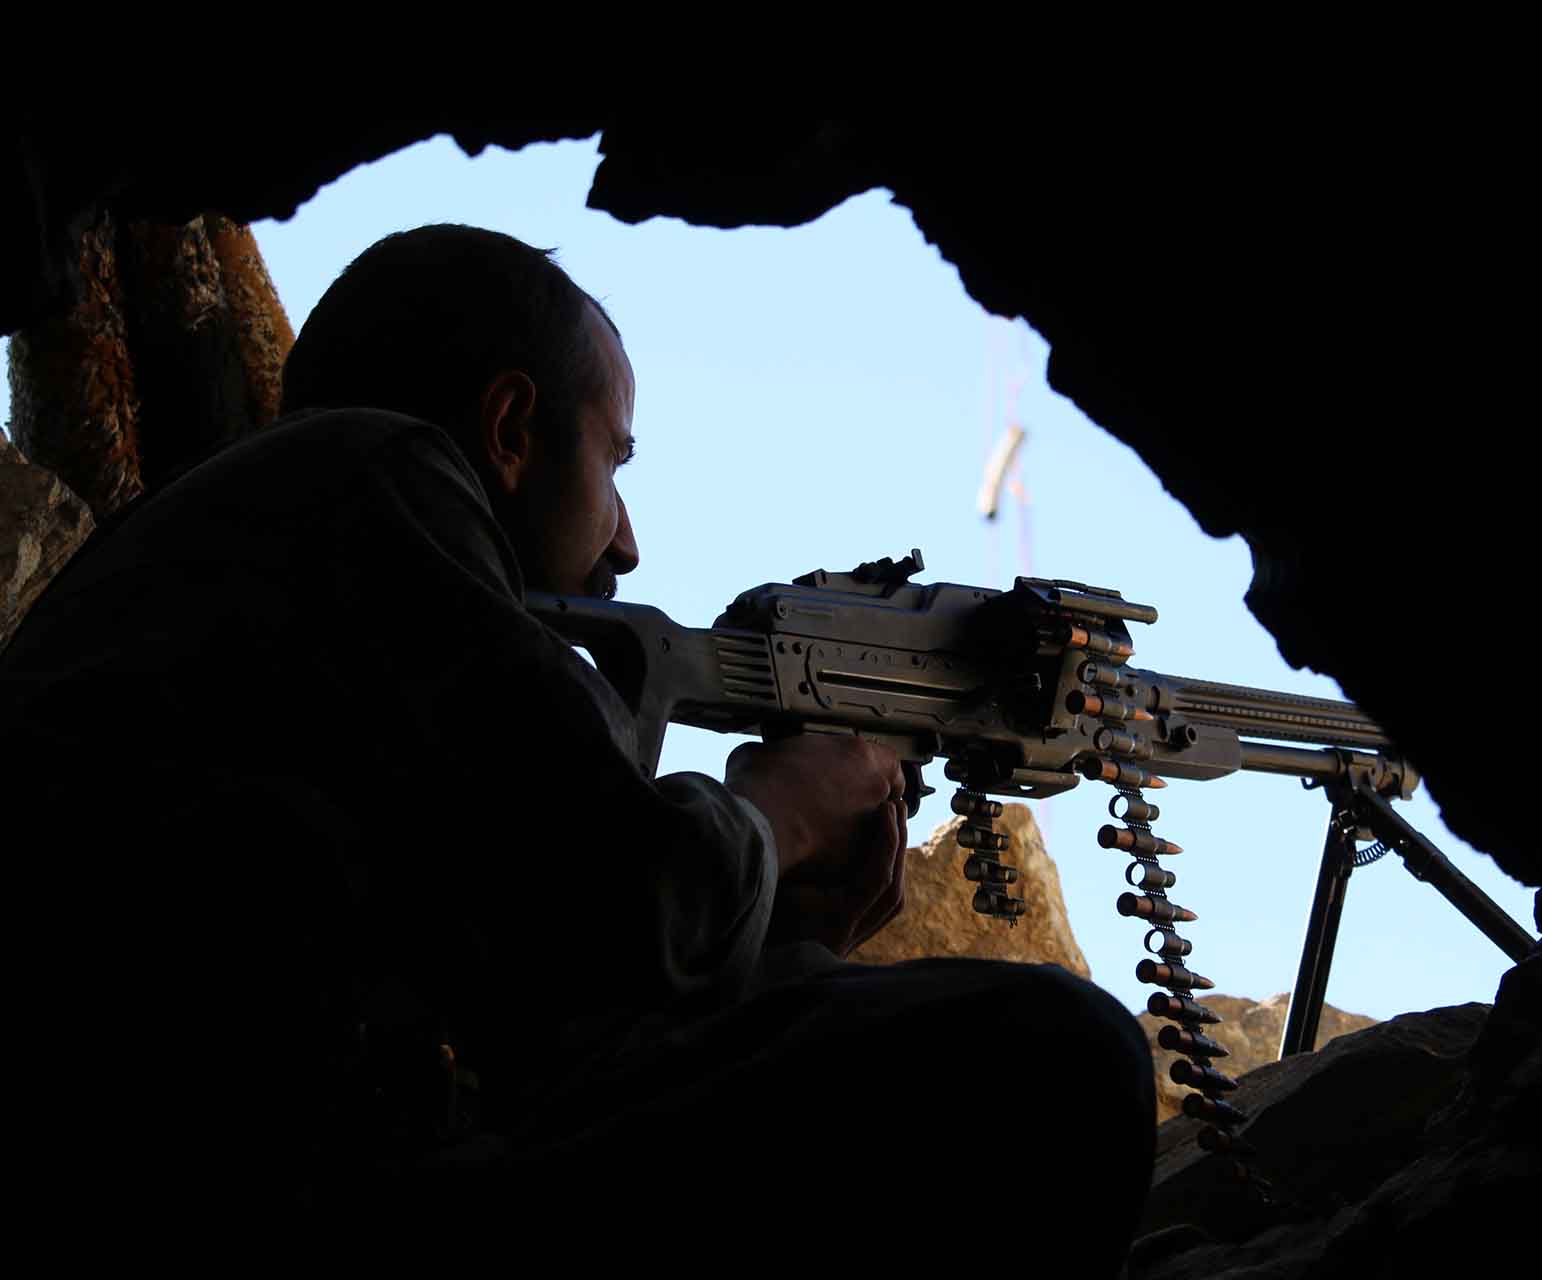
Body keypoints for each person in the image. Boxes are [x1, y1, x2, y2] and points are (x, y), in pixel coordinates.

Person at [0, 225, 1155, 1267]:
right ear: (509, 428)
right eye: (613, 463)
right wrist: (779, 809)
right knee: (1054, 1056)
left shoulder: (232, 569)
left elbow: (547, 1014)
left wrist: (779, 935)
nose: (628, 542)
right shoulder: (372, 469)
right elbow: (607, 907)